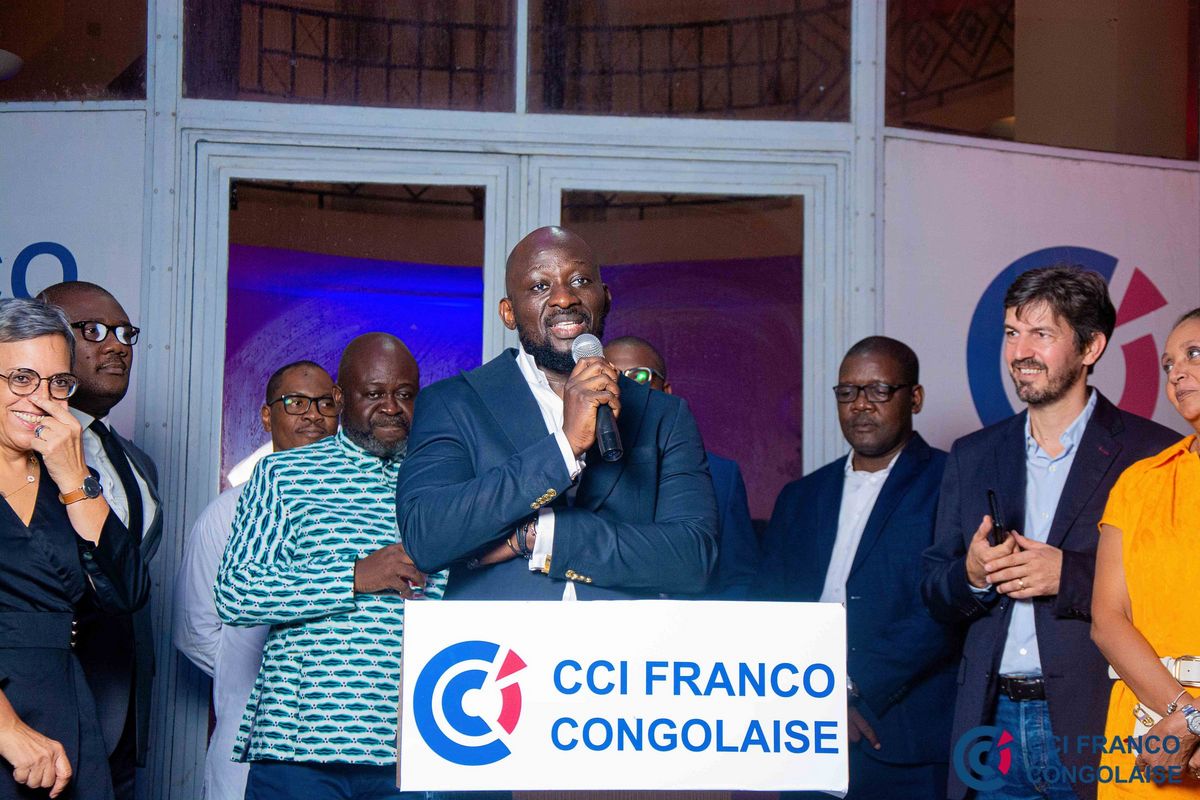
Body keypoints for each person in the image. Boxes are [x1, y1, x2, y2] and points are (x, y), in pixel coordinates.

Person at [922, 266, 1178, 800]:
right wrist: (971, 574)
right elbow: (934, 591)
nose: (1020, 352)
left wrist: (1071, 576)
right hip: (990, 727)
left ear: (1091, 347)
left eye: (1041, 334)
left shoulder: (1153, 454)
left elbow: (1175, 595)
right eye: (1012, 333)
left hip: (1097, 718)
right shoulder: (972, 454)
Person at [396, 226, 717, 600]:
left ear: (605, 298)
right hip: (496, 638)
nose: (564, 298)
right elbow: (427, 538)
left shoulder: (662, 414)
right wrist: (565, 447)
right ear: (509, 313)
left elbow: (694, 560)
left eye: (580, 281)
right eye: (539, 286)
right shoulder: (453, 403)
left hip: (623, 638)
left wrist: (541, 536)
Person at [216, 333, 445, 800]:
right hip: (299, 745)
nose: (391, 407)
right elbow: (235, 591)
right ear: (340, 398)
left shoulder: (440, 478)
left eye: (404, 394)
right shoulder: (284, 474)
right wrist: (354, 576)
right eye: (374, 393)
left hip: (415, 739)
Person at [757, 336, 957, 800]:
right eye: (847, 392)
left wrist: (850, 689)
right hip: (804, 732)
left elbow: (945, 609)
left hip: (901, 737)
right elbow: (770, 606)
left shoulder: (952, 482)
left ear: (915, 398)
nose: (860, 405)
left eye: (879, 390)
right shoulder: (800, 497)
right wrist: (812, 697)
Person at [0, 298, 149, 800]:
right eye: (22, 378)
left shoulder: (65, 479)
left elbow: (127, 592)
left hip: (63, 709)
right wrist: (7, 729)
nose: (41, 399)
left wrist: (72, 476)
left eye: (57, 383)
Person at [173, 360, 338, 800]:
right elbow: (195, 632)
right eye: (295, 403)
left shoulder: (360, 508)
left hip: (341, 741)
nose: (313, 415)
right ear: (267, 416)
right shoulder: (226, 513)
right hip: (248, 736)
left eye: (325, 403)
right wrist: (268, 678)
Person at [39, 281, 160, 800]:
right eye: (93, 331)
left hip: (122, 713)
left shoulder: (137, 461)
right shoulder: (15, 452)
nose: (117, 346)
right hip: (40, 714)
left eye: (125, 333)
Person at [1090, 308, 1200, 797]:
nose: (1177, 373)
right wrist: (1187, 718)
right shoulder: (1138, 482)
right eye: (1168, 364)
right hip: (1145, 733)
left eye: (1194, 354)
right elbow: (1107, 619)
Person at [605, 334, 757, 598]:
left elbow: (738, 578)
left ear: (667, 392)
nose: (626, 389)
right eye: (613, 377)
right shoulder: (581, 470)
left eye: (639, 376)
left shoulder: (723, 475)